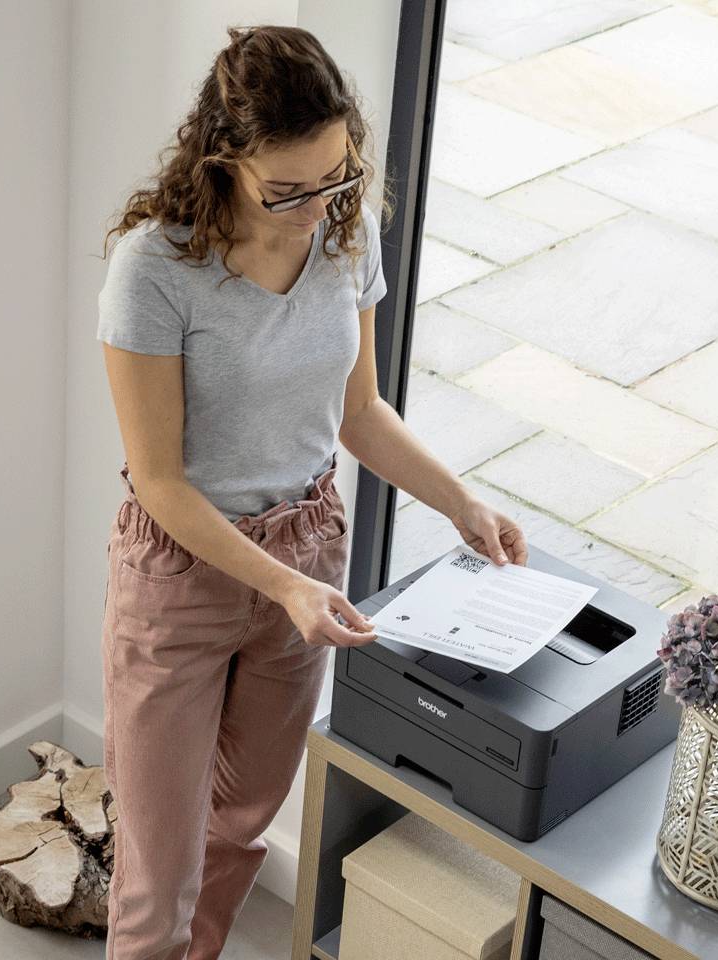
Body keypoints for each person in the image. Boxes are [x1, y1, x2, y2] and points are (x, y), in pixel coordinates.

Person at [96, 23, 528, 960]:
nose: (313, 206)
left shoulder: (347, 232)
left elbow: (361, 412)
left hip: (309, 549)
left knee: (239, 825)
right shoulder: (155, 272)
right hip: (183, 573)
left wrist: (463, 503)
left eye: (333, 178)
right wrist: (282, 587)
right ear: (223, 159)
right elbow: (162, 483)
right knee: (155, 877)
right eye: (284, 187)